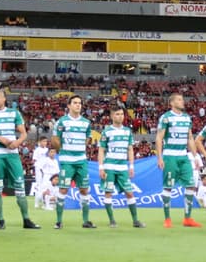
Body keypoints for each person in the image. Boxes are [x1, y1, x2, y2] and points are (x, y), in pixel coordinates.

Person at [0, 88, 42, 230]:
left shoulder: (14, 113)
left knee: (20, 188)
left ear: (4, 99)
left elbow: (23, 133)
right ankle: (1, 220)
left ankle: (26, 220)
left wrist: (17, 143)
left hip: (13, 155)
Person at [155, 92, 200, 228]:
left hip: (184, 156)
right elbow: (159, 138)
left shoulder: (187, 118)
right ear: (172, 103)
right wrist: (160, 157)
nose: (182, 102)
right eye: (179, 100)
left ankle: (187, 218)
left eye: (182, 99)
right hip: (170, 156)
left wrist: (195, 156)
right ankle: (167, 219)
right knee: (168, 186)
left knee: (191, 185)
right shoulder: (166, 118)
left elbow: (190, 138)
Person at [52, 95, 97, 229]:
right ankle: (59, 221)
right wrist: (63, 151)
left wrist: (81, 147)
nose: (78, 105)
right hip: (67, 161)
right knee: (63, 189)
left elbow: (88, 138)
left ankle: (86, 221)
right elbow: (55, 139)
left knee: (84, 190)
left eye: (79, 103)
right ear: (69, 106)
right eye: (75, 103)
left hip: (81, 161)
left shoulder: (86, 122)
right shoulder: (62, 121)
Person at [96, 106, 144, 228]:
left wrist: (131, 166)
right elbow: (101, 150)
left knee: (130, 193)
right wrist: (101, 167)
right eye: (117, 114)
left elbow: (130, 149)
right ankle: (112, 220)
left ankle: (135, 220)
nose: (120, 116)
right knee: (108, 193)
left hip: (123, 167)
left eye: (122, 114)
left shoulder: (127, 131)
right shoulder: (106, 131)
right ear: (112, 116)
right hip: (109, 166)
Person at [32, 140, 54, 209]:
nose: (45, 143)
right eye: (43, 141)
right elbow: (36, 162)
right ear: (40, 142)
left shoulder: (49, 156)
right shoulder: (37, 150)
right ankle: (36, 203)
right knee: (39, 188)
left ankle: (46, 203)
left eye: (46, 141)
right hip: (41, 173)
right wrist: (40, 172)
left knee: (48, 189)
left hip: (48, 175)